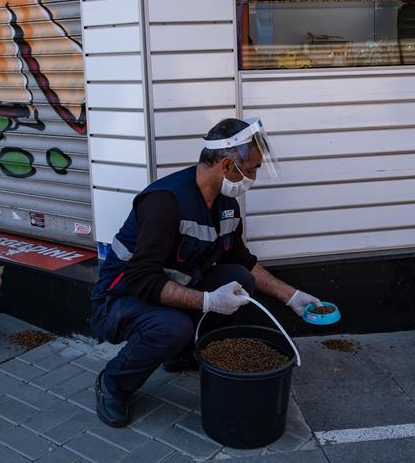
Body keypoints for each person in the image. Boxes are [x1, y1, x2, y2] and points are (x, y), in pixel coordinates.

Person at [89, 117, 321, 427]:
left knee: (241, 278)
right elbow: (141, 278)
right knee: (172, 328)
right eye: (250, 169)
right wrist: (209, 302)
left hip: (166, 289)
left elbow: (242, 259)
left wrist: (291, 295)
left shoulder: (226, 205)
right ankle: (113, 384)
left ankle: (180, 355)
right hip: (119, 299)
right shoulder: (165, 202)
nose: (252, 177)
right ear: (226, 165)